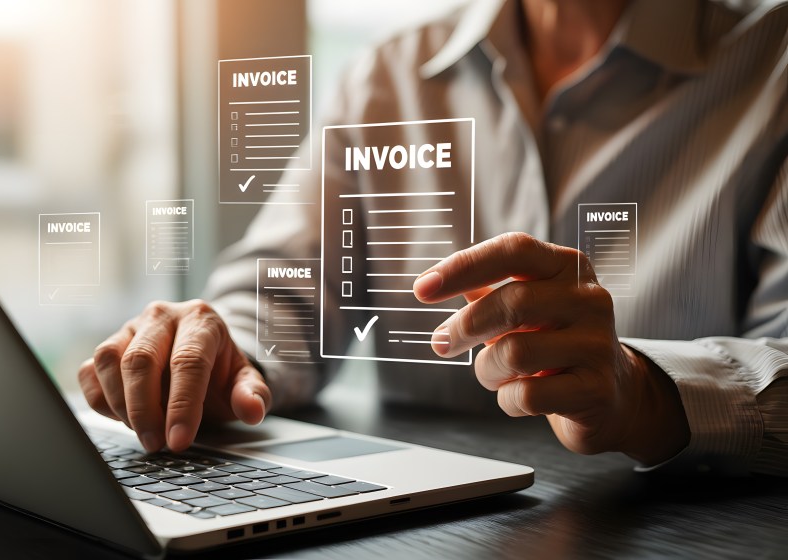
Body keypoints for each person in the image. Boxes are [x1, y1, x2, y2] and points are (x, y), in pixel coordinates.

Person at [78, 0, 788, 475]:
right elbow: (283, 291)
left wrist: (643, 393)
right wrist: (216, 348)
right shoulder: (386, 75)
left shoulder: (772, 64)